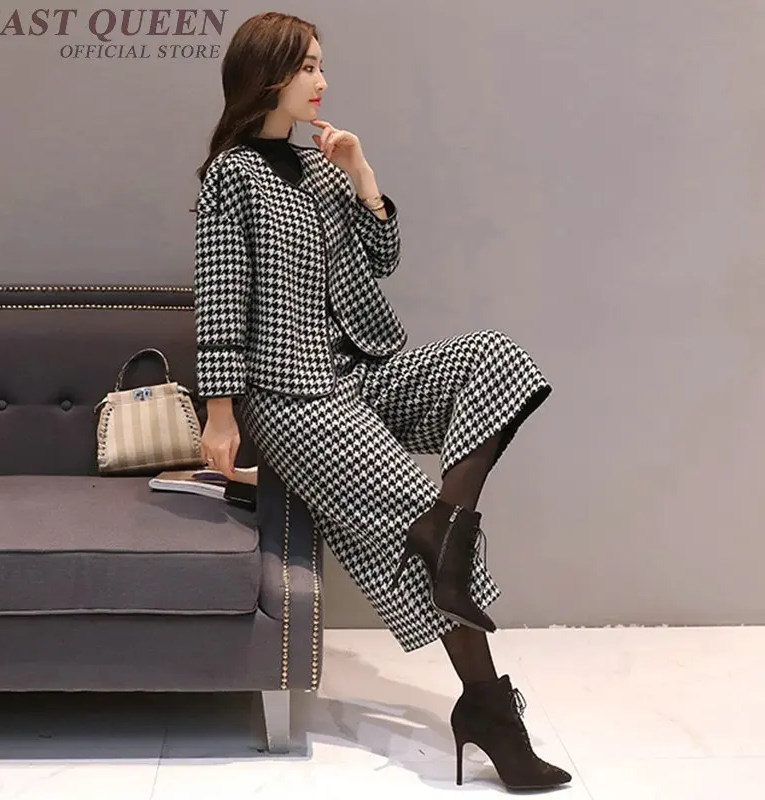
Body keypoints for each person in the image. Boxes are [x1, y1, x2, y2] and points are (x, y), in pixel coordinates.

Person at [192, 11, 571, 792]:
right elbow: (220, 297)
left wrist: (364, 177)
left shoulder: (323, 166)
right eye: (307, 67)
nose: (322, 81)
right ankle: (490, 710)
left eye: (321, 65)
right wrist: (221, 412)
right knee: (416, 529)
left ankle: (448, 531)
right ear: (268, 75)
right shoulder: (233, 175)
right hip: (291, 396)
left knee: (495, 357)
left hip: (361, 372)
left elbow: (382, 259)